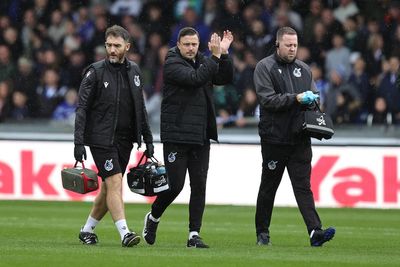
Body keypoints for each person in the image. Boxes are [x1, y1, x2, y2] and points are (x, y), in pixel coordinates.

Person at [142, 27, 234, 248]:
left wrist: (224, 53)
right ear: (179, 45)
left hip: (200, 133)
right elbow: (195, 79)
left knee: (199, 185)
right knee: (175, 186)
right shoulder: (172, 63)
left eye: (195, 44)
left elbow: (223, 77)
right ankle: (153, 216)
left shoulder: (203, 59)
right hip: (177, 133)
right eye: (187, 44)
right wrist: (214, 56)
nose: (192, 48)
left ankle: (194, 234)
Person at [253, 26, 335, 247]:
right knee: (269, 186)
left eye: (295, 45)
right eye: (288, 45)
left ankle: (315, 232)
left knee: (303, 187)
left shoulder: (304, 69)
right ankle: (262, 233)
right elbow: (267, 100)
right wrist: (296, 98)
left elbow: (314, 96)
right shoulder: (264, 67)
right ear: (278, 44)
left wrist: (313, 101)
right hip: (274, 138)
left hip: (300, 138)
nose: (292, 49)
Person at [74, 25, 154, 247]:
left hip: (125, 139)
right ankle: (125, 233)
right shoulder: (95, 72)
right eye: (108, 45)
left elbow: (141, 108)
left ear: (127, 47)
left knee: (109, 188)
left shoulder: (135, 71)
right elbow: (81, 108)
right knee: (115, 182)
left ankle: (87, 230)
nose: (111, 50)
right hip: (101, 138)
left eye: (116, 46)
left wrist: (148, 139)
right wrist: (79, 142)